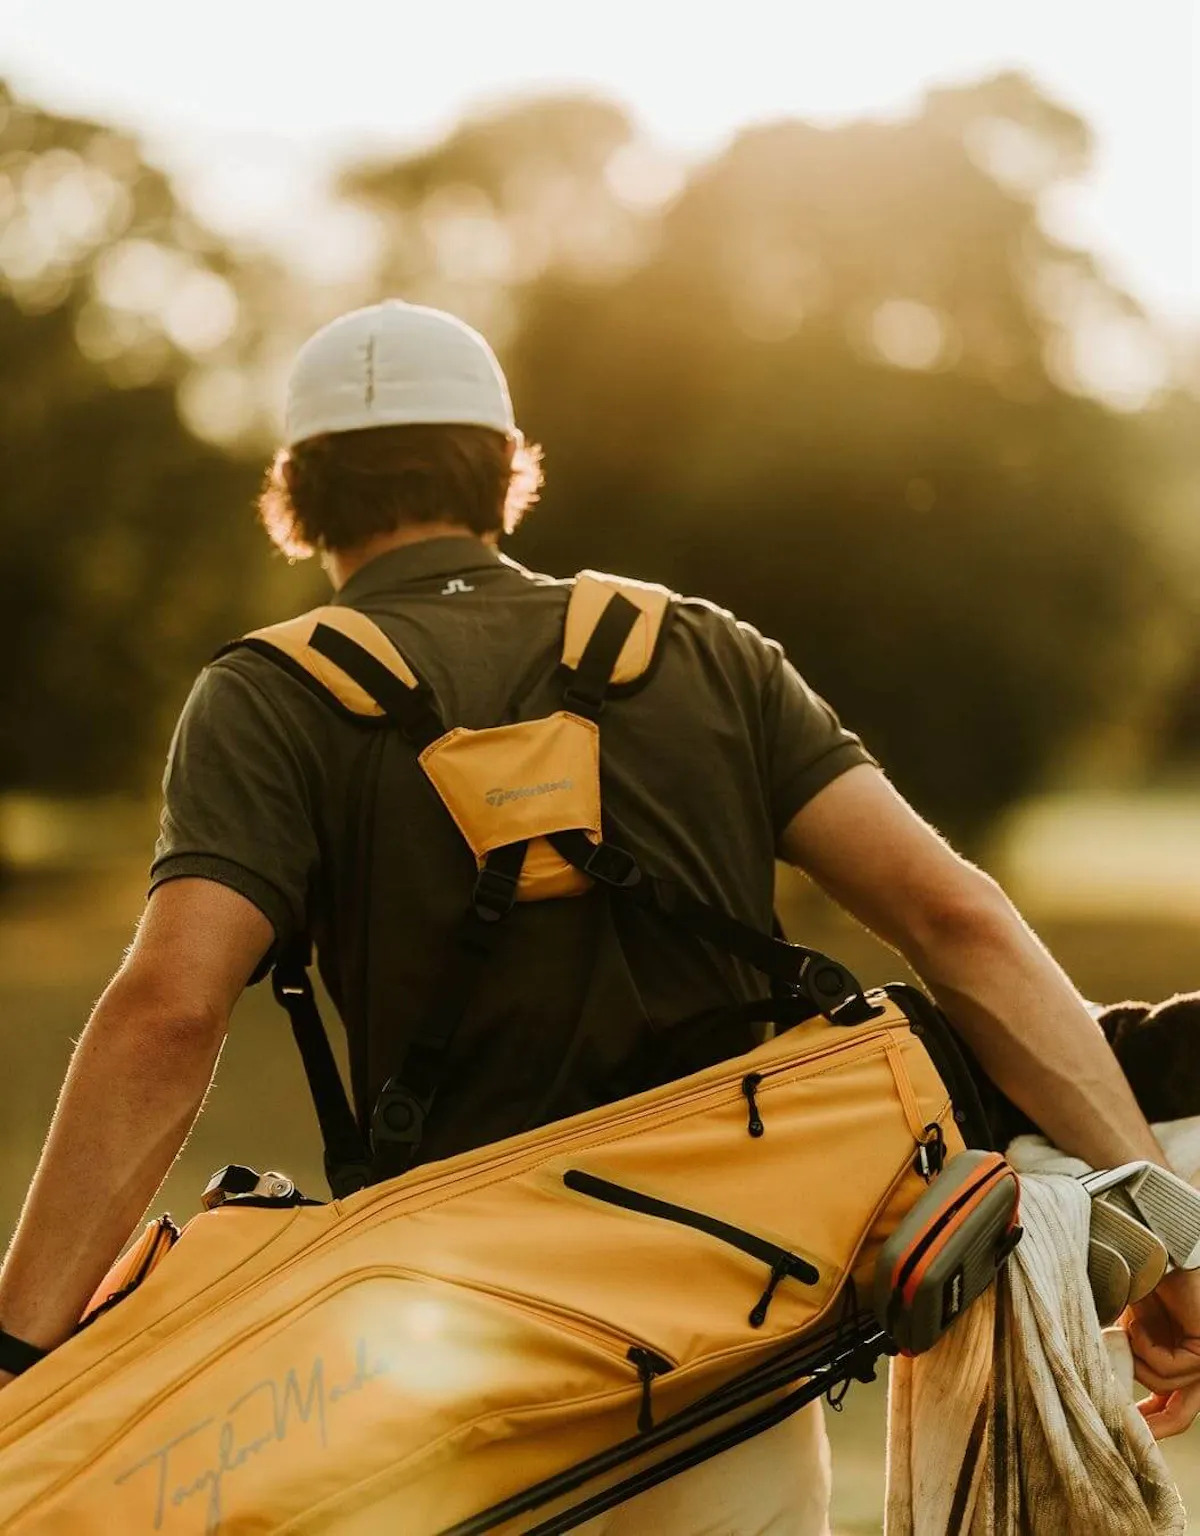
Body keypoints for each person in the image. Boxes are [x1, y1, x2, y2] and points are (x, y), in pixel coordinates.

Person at [1, 302, 1198, 1531]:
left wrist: (17, 1355)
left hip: (461, 1379)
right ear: (505, 470)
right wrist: (1169, 1233)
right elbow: (957, 918)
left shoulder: (270, 696)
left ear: (296, 494)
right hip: (743, 1332)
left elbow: (169, 1012)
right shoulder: (701, 651)